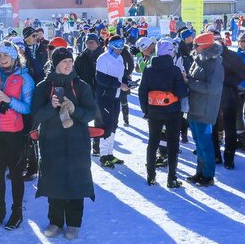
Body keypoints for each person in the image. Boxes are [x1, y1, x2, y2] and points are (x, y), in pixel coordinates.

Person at [33, 47, 97, 240]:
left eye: (70, 61)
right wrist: (51, 106)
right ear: (55, 64)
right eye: (64, 62)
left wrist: (75, 109)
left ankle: (74, 223)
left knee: (77, 182)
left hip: (77, 142)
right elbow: (35, 115)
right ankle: (55, 222)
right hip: (51, 142)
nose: (68, 65)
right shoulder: (44, 87)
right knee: (54, 182)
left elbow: (91, 113)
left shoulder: (81, 86)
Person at [0, 41, 34, 229]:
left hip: (13, 132)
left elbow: (27, 108)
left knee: (15, 173)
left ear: (14, 57)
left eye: (6, 55)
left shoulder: (24, 78)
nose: (2, 58)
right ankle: (0, 210)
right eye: (0, 55)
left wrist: (8, 100)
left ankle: (17, 211)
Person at [139, 39, 188, 188]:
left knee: (152, 143)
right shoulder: (175, 70)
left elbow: (142, 91)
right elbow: (181, 92)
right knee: (173, 145)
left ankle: (151, 177)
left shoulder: (148, 69)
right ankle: (171, 179)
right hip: (172, 111)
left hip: (154, 110)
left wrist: (146, 110)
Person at [186, 33, 224, 186]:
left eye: (196, 45)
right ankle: (200, 172)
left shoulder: (215, 64)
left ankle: (208, 175)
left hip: (205, 110)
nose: (193, 48)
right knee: (198, 142)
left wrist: (189, 82)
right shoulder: (198, 59)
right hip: (194, 108)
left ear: (205, 46)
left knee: (205, 144)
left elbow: (213, 88)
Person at [214, 34, 245, 169]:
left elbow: (243, 74)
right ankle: (216, 155)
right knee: (213, 127)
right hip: (213, 97)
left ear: (222, 41)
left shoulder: (231, 55)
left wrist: (226, 81)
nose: (215, 42)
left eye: (217, 40)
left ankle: (229, 158)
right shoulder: (208, 54)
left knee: (230, 128)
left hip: (229, 96)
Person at [94, 36, 130, 168]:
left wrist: (127, 81)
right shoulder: (103, 58)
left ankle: (109, 153)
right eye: (116, 48)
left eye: (121, 48)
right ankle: (103, 155)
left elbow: (121, 75)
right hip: (105, 96)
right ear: (110, 47)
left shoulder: (120, 58)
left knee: (114, 124)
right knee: (107, 124)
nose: (119, 51)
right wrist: (118, 84)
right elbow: (100, 78)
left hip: (116, 96)